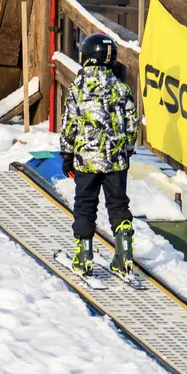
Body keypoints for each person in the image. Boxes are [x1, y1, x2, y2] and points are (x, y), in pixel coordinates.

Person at [58, 32, 139, 277]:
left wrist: (67, 154)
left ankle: (84, 256)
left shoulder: (78, 87)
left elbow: (69, 122)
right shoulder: (121, 87)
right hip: (115, 161)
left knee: (85, 204)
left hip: (86, 159)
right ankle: (124, 254)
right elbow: (132, 122)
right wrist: (126, 150)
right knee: (117, 204)